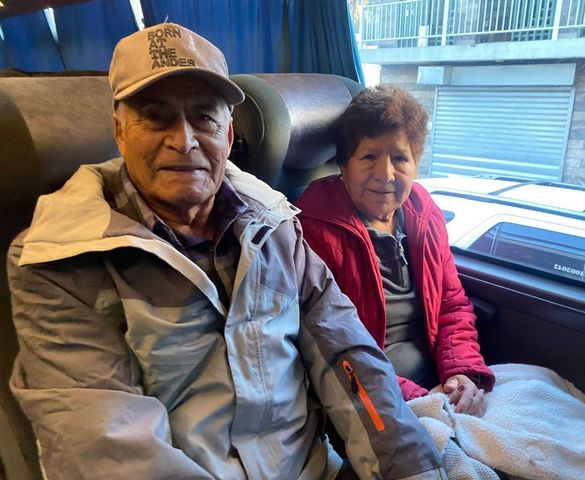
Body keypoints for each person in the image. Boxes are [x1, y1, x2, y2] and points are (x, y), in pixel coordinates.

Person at [6, 24, 446, 480]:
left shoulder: (275, 225)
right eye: (156, 118)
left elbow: (348, 357)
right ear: (119, 132)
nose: (183, 140)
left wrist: (411, 469)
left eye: (204, 118)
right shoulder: (58, 262)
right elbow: (108, 448)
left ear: (228, 134)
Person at [296, 85, 495, 416]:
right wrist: (420, 399)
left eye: (400, 158)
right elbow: (328, 342)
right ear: (343, 165)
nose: (385, 174)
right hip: (370, 396)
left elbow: (451, 304)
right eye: (369, 157)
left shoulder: (424, 212)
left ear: (416, 165)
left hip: (439, 383)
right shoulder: (314, 229)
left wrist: (461, 374)